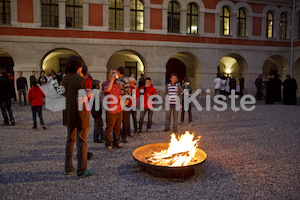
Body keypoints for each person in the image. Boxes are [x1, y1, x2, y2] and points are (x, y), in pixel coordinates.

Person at [62, 55, 93, 178]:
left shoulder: (64, 79)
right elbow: (81, 98)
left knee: (70, 140)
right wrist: (89, 92)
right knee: (82, 142)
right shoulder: (80, 79)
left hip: (69, 113)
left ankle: (68, 167)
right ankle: (82, 170)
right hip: (80, 114)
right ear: (78, 66)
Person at [102, 68, 124, 150]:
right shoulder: (105, 83)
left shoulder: (117, 84)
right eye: (112, 73)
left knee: (117, 127)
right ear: (109, 74)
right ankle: (108, 144)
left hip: (118, 108)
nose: (114, 74)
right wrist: (112, 80)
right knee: (109, 127)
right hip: (110, 108)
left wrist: (121, 107)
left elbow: (119, 96)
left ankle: (116, 143)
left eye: (115, 73)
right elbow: (107, 89)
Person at [116, 66, 131, 143]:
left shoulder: (125, 80)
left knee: (124, 120)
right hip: (117, 102)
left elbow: (128, 92)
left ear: (119, 72)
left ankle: (124, 136)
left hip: (124, 102)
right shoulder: (117, 80)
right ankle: (118, 135)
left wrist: (119, 92)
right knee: (118, 120)